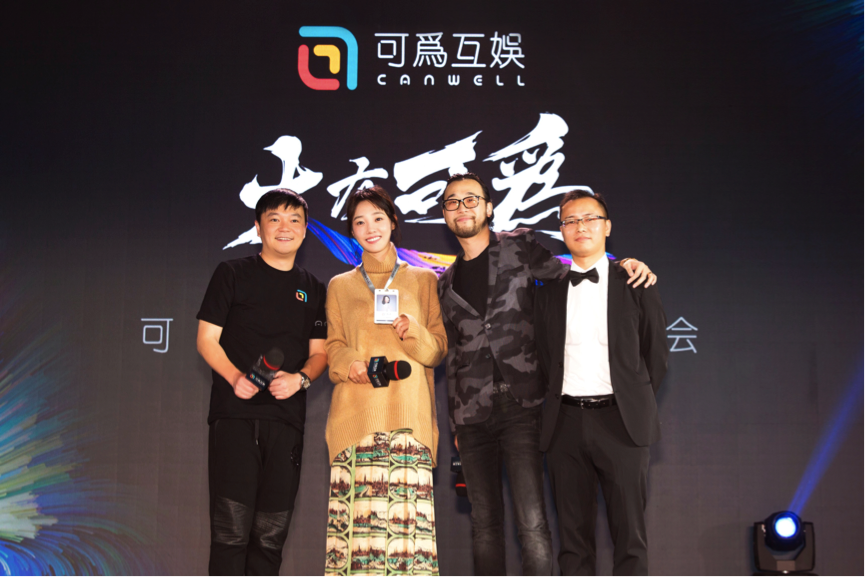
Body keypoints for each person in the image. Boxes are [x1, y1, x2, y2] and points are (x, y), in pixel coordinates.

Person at [436, 173, 656, 576]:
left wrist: (621, 264)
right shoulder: (444, 283)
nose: (462, 208)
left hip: (524, 404)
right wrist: (455, 419)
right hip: (472, 416)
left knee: (533, 523)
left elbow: (573, 275)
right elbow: (452, 356)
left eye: (471, 199)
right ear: (445, 215)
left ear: (488, 207)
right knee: (484, 527)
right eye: (452, 202)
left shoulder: (519, 246)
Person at [535, 190, 668, 576]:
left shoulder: (636, 281)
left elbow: (656, 356)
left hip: (622, 422)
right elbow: (543, 359)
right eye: (571, 221)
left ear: (607, 227)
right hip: (564, 425)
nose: (581, 227)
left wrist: (631, 398)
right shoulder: (547, 291)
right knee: (572, 543)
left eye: (590, 218)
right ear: (562, 231)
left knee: (630, 539)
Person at [196, 189, 328, 576]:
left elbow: (320, 354)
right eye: (274, 219)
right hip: (235, 417)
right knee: (230, 534)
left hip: (286, 423)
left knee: (270, 539)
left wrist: (300, 379)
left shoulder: (314, 288)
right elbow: (206, 339)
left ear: (305, 230)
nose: (285, 227)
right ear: (258, 227)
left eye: (294, 220)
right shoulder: (232, 273)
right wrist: (235, 377)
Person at [324, 186, 448, 576]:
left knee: (407, 549)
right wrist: (351, 364)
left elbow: (438, 351)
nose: (370, 228)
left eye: (378, 218)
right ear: (352, 231)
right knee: (358, 546)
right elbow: (332, 346)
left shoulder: (424, 280)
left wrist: (414, 332)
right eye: (360, 222)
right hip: (355, 421)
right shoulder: (339, 285)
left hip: (408, 422)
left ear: (393, 222)